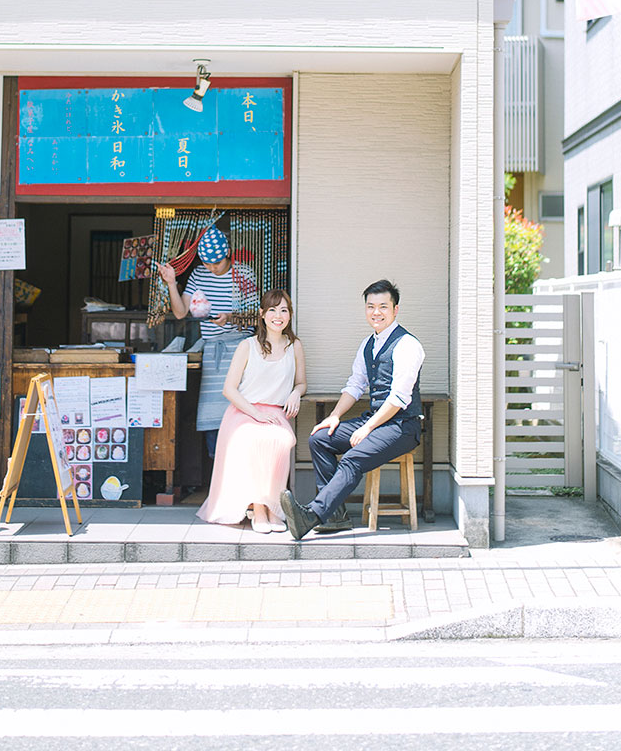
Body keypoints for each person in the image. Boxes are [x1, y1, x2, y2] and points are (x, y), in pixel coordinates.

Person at [280, 278, 424, 539]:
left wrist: (367, 428)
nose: (376, 312)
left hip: (402, 426)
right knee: (320, 439)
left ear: (396, 309)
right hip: (377, 422)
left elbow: (399, 398)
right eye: (370, 307)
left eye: (383, 306)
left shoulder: (408, 345)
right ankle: (335, 516)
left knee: (352, 458)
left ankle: (312, 516)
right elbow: (355, 385)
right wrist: (334, 416)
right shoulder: (368, 344)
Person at [197, 289, 306, 533]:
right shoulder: (247, 346)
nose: (278, 315)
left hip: (275, 412)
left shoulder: (294, 346)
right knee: (253, 439)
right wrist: (255, 414)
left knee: (282, 439)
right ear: (262, 314)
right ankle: (258, 509)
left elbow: (301, 382)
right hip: (244, 412)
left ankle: (274, 507)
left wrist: (296, 393)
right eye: (272, 310)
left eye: (284, 310)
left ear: (290, 315)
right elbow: (229, 389)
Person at [158, 226, 257, 457]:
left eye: (217, 263)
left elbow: (256, 314)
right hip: (213, 351)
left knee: (241, 409)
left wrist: (230, 318)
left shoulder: (244, 274)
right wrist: (172, 283)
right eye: (207, 263)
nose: (212, 268)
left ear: (228, 253)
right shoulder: (199, 275)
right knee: (212, 413)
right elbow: (181, 312)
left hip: (241, 349)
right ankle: (217, 469)